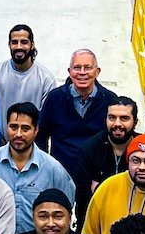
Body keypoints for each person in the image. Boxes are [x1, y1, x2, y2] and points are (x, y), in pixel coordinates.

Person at [0, 101, 76, 234]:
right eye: (13, 127)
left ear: (36, 130)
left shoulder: (52, 168)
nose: (18, 134)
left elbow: (66, 205)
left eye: (25, 129)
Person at [38, 49, 119, 180]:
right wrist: (45, 168)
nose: (82, 73)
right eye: (77, 68)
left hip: (96, 177)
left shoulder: (110, 101)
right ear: (69, 72)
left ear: (97, 72)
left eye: (87, 68)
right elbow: (40, 136)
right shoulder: (55, 98)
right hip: (60, 175)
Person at [73, 96, 139, 225]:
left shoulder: (143, 151)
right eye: (112, 118)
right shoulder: (89, 149)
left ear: (135, 122)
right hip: (96, 224)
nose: (117, 124)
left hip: (134, 227)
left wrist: (99, 189)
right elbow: (83, 198)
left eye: (124, 118)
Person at [0, 24, 58, 118]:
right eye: (14, 42)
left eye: (24, 42)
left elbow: (48, 116)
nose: (19, 47)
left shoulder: (46, 79)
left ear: (32, 45)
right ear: (9, 45)